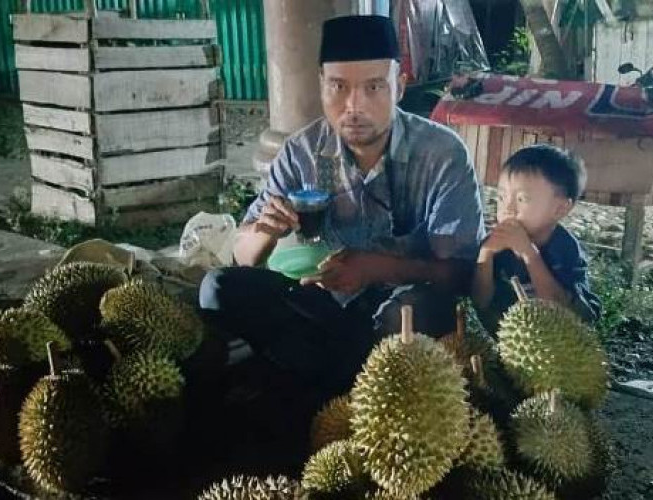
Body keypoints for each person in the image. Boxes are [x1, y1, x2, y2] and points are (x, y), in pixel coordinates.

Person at [199, 15, 484, 395]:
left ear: (399, 86)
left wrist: (380, 269)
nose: (354, 106)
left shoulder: (442, 154)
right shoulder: (301, 152)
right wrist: (264, 233)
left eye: (373, 87)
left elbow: (462, 275)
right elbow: (244, 257)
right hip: (321, 307)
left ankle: (314, 375)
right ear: (321, 85)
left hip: (401, 311)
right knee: (217, 288)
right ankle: (331, 374)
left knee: (412, 317)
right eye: (338, 86)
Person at [471, 144, 601, 335]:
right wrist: (485, 255)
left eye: (522, 199)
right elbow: (480, 301)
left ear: (560, 209)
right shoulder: (494, 243)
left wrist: (529, 253)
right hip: (508, 337)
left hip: (556, 341)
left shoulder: (565, 248)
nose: (508, 208)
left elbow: (560, 308)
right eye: (501, 197)